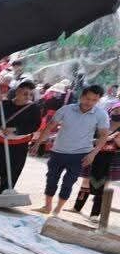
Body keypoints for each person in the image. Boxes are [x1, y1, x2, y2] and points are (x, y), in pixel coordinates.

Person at [31, 85, 110, 215]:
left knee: (68, 183)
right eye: (87, 98)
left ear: (98, 100)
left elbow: (104, 136)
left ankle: (57, 210)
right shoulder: (66, 109)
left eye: (94, 100)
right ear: (82, 96)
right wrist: (37, 143)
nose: (89, 102)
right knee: (51, 179)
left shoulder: (101, 115)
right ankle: (47, 206)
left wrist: (93, 154)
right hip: (58, 151)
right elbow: (50, 126)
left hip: (80, 155)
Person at [69, 103, 119, 217]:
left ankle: (95, 214)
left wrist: (116, 140)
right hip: (94, 155)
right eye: (116, 110)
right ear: (110, 111)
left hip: (111, 160)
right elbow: (89, 138)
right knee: (86, 181)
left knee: (104, 186)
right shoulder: (102, 123)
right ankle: (77, 208)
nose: (118, 113)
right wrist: (105, 138)